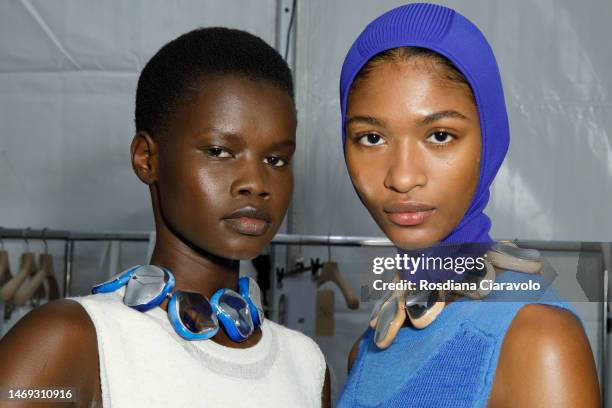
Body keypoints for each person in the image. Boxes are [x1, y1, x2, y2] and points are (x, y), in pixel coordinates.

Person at [0, 27, 330, 407]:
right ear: (147, 158)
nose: (256, 183)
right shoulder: (72, 341)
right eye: (220, 152)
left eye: (276, 160)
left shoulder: (306, 365)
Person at [335, 3, 600, 407]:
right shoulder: (367, 350)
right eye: (372, 138)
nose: (402, 177)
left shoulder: (538, 340)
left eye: (439, 135)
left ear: (490, 138)